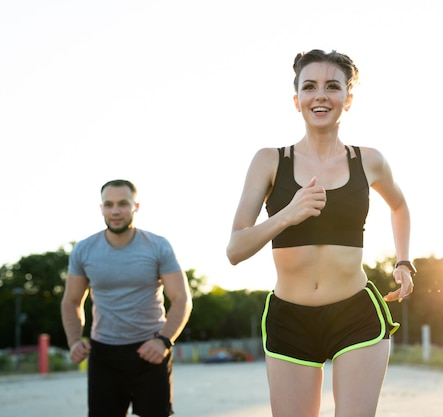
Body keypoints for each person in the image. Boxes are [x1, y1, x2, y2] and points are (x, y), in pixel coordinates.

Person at [226, 49, 415, 417]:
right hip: (290, 319)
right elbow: (235, 249)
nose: (321, 96)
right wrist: (287, 214)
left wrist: (404, 261)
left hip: (355, 314)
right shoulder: (269, 160)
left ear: (348, 98)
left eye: (333, 86)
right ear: (297, 100)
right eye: (309, 87)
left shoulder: (370, 160)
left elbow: (400, 206)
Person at [61, 179, 192, 417]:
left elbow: (181, 298)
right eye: (108, 204)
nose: (115, 211)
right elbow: (71, 301)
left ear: (136, 206)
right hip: (104, 355)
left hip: (150, 350)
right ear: (101, 208)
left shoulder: (158, 246)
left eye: (123, 203)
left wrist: (163, 341)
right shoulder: (84, 250)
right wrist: (73, 340)